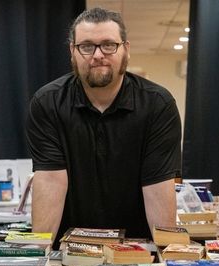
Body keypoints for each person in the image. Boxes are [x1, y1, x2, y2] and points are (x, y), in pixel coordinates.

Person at [26, 7, 181, 243]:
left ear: (126, 50)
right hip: (69, 248)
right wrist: (38, 257)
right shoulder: (47, 103)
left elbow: (157, 188)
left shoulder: (158, 105)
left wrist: (170, 260)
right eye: (86, 46)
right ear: (72, 52)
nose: (98, 55)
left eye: (109, 45)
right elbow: (50, 181)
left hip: (136, 249)